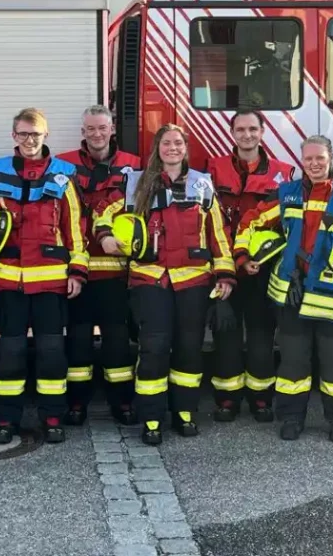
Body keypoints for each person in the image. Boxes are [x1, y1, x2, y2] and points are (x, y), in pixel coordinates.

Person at [0, 107, 88, 445]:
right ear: (14, 136)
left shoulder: (63, 175)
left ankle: (52, 417)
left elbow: (76, 230)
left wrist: (78, 272)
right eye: (23, 134)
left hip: (52, 284)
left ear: (46, 136)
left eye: (35, 135)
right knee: (9, 355)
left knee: (52, 354)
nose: (29, 140)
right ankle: (6, 420)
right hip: (9, 282)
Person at [94, 123, 235, 446]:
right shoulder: (136, 182)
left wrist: (225, 275)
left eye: (178, 143)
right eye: (166, 143)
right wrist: (106, 237)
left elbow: (219, 236)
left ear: (186, 148)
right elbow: (103, 214)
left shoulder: (202, 184)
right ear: (157, 148)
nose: (172, 148)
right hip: (150, 280)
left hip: (194, 282)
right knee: (154, 350)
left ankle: (184, 413)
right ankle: (152, 419)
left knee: (189, 350)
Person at [235, 135, 333, 442]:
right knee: (293, 363)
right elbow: (250, 221)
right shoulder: (287, 194)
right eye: (308, 158)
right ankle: (291, 419)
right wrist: (245, 257)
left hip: (331, 296)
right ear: (301, 161)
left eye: (320, 158)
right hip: (290, 294)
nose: (314, 164)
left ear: (330, 159)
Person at [206, 110, 294, 423]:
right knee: (225, 336)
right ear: (232, 133)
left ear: (262, 132)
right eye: (240, 129)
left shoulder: (284, 173)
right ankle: (227, 400)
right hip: (223, 266)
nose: (247, 135)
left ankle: (261, 400)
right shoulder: (213, 169)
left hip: (261, 270)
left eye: (252, 129)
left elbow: (288, 224)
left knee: (261, 337)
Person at [57, 105, 140, 426]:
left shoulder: (132, 165)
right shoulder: (63, 164)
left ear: (112, 129)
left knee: (117, 341)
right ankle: (77, 403)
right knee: (77, 341)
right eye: (90, 128)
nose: (96, 134)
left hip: (115, 272)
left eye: (102, 128)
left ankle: (122, 403)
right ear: (82, 132)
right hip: (76, 270)